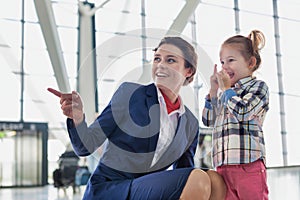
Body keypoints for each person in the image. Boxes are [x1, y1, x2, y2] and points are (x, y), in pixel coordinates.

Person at [48, 36, 226, 200]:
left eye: (170, 60)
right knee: (198, 179)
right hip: (111, 189)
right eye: (157, 59)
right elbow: (85, 147)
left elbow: (182, 173)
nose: (160, 65)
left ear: (188, 71)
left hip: (147, 190)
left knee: (214, 180)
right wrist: (77, 119)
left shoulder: (190, 124)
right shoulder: (129, 95)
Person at [202, 30, 269, 200]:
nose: (224, 66)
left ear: (251, 63)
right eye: (222, 62)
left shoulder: (257, 87)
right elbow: (208, 120)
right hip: (223, 168)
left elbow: (244, 111)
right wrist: (213, 91)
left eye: (231, 60)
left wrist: (226, 90)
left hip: (249, 165)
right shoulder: (224, 94)